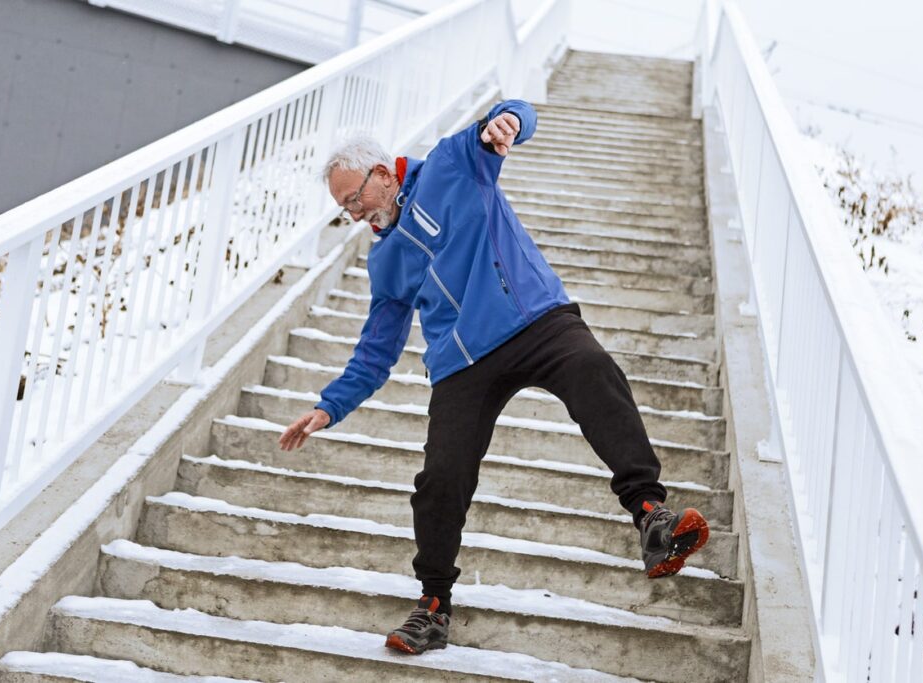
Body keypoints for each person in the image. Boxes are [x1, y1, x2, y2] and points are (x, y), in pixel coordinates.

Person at [278, 99, 709, 655]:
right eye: (345, 210)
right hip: (463, 361)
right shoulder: (385, 261)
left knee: (595, 371)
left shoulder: (451, 164)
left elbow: (509, 117)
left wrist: (508, 123)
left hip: (533, 317)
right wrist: (329, 406)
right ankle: (433, 605)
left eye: (354, 199)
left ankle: (652, 517)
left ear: (382, 174)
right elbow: (376, 349)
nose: (356, 215)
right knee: (440, 477)